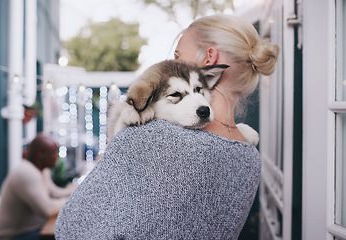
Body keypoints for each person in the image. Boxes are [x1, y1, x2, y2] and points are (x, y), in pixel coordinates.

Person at [55, 14, 279, 239]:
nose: (171, 64)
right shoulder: (249, 156)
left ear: (209, 58)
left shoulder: (155, 138)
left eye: (178, 56)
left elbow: (72, 227)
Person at [0, 134, 76, 240]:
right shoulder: (26, 172)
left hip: (31, 231)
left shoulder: (42, 169)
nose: (57, 157)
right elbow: (47, 209)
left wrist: (74, 191)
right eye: (53, 152)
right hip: (12, 237)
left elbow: (54, 192)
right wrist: (72, 201)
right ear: (40, 153)